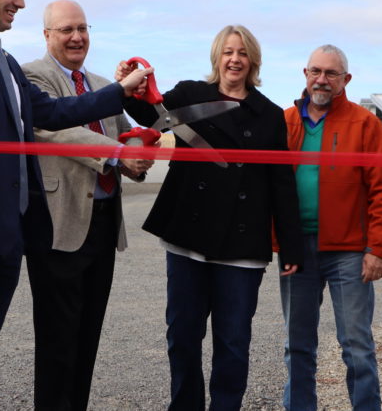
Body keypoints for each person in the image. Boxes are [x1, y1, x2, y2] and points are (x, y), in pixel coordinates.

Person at [0, 0, 151, 411]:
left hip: (22, 233)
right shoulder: (8, 63)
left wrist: (123, 101)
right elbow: (54, 127)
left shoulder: (3, 62)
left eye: (82, 27)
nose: (20, 2)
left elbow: (53, 111)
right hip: (7, 231)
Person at [117, 24, 305, 411]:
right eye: (227, 52)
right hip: (188, 235)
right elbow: (148, 113)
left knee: (233, 343)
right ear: (217, 57)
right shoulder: (189, 93)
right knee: (182, 336)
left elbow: (281, 183)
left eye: (242, 53)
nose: (234, 59)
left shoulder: (269, 115)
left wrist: (290, 245)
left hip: (241, 246)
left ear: (253, 61)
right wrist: (129, 84)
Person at [22, 0, 153, 411]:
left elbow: (128, 134)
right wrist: (117, 152)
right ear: (47, 36)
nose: (77, 37)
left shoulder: (102, 85)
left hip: (102, 222)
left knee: (87, 335)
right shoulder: (32, 77)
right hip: (59, 226)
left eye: (82, 28)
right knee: (58, 341)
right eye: (66, 30)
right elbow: (52, 129)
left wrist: (138, 152)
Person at [278, 44, 382, 411]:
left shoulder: (366, 124)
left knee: (357, 345)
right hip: (296, 249)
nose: (322, 80)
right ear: (305, 74)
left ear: (346, 79)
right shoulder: (284, 122)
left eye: (331, 74)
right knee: (297, 345)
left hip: (349, 252)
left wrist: (377, 249)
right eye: (316, 71)